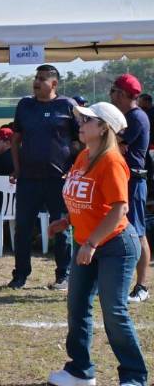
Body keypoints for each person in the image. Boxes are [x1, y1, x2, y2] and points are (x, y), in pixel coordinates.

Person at [46, 102, 148, 386]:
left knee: (114, 312)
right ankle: (80, 371)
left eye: (88, 119)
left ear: (104, 128)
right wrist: (67, 220)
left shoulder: (112, 161)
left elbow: (119, 209)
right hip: (87, 242)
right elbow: (85, 197)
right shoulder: (84, 157)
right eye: (82, 118)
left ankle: (134, 377)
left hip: (115, 245)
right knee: (77, 307)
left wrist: (91, 242)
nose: (81, 122)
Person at [9, 65, 76, 290]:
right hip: (29, 179)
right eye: (35, 78)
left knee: (62, 229)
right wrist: (17, 169)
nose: (36, 82)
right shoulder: (25, 105)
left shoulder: (67, 106)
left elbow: (81, 141)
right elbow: (15, 139)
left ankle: (63, 275)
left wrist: (74, 170)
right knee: (24, 228)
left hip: (59, 180)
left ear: (54, 84)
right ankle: (20, 275)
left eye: (41, 79)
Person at [110, 74, 151, 303]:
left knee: (137, 232)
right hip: (124, 180)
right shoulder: (128, 116)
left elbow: (116, 145)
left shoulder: (136, 117)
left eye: (114, 91)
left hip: (133, 182)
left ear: (124, 94)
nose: (112, 96)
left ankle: (142, 286)